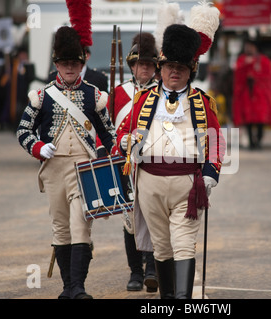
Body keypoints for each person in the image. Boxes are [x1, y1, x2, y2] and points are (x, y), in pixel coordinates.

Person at [116, 5, 224, 299]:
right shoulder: (143, 98)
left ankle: (183, 302)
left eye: (181, 67)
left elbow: (215, 141)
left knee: (185, 244)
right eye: (169, 67)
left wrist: (212, 172)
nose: (174, 72)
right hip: (149, 182)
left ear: (190, 70)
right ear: (161, 69)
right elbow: (124, 133)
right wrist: (126, 145)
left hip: (188, 184)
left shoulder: (203, 102)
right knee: (161, 247)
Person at [16, 21, 115, 299]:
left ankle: (79, 287)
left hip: (84, 169)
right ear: (56, 64)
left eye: (75, 63)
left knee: (80, 225)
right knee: (60, 229)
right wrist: (37, 147)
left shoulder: (93, 95)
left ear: (82, 64)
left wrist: (113, 159)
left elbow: (109, 133)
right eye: (64, 63)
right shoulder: (41, 96)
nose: (70, 68)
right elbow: (22, 130)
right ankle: (67, 287)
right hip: (53, 170)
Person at [112, 32, 159, 293]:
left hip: (152, 162)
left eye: (150, 65)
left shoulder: (160, 93)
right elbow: (108, 129)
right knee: (129, 219)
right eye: (141, 64)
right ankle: (135, 272)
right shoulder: (119, 92)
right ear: (132, 66)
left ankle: (152, 269)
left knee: (152, 216)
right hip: (125, 163)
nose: (145, 69)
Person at [232, 37, 271, 150]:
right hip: (247, 94)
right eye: (247, 46)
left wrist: (255, 76)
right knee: (248, 119)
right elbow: (237, 75)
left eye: (250, 46)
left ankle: (259, 140)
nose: (248, 48)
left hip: (259, 93)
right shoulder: (241, 60)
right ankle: (251, 141)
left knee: (260, 119)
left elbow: (267, 77)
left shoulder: (264, 60)